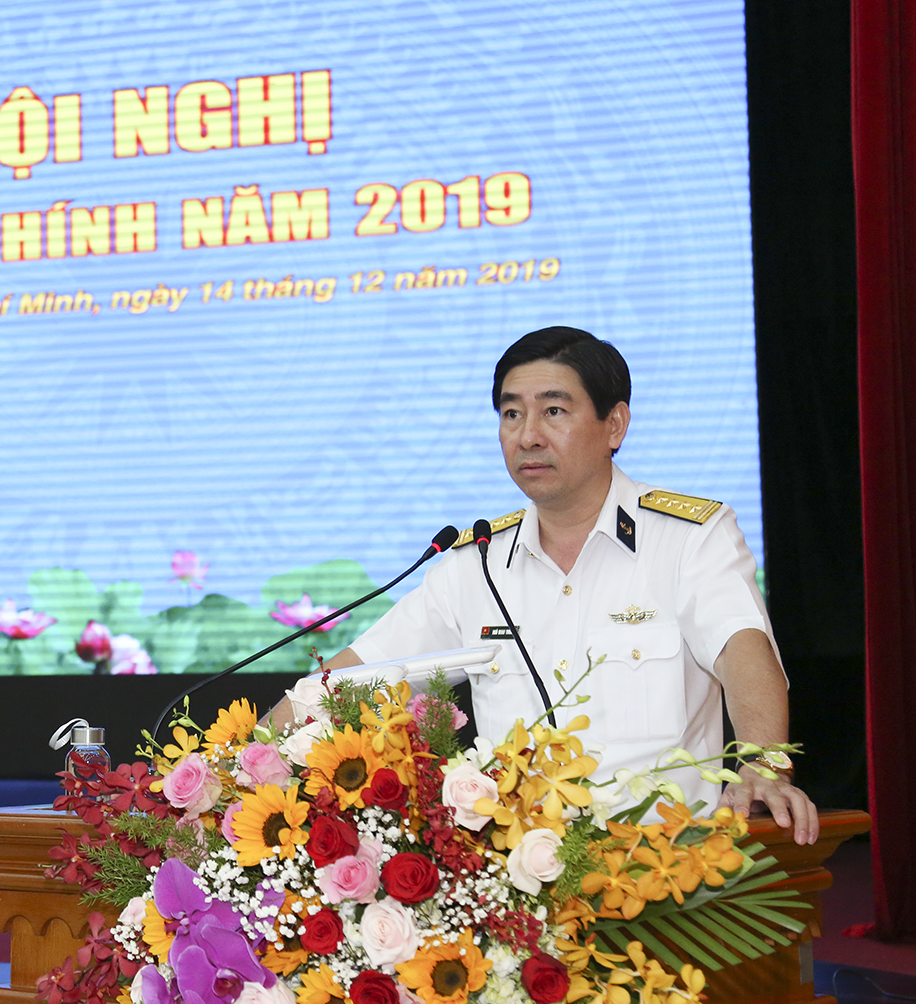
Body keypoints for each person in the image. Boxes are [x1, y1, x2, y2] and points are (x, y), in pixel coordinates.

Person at [317, 326, 819, 843]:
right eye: (512, 414)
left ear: (614, 425)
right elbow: (347, 682)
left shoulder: (689, 538)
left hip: (667, 870)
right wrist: (263, 752)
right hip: (516, 878)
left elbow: (742, 650)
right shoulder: (474, 564)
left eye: (553, 411)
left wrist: (765, 765)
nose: (528, 436)